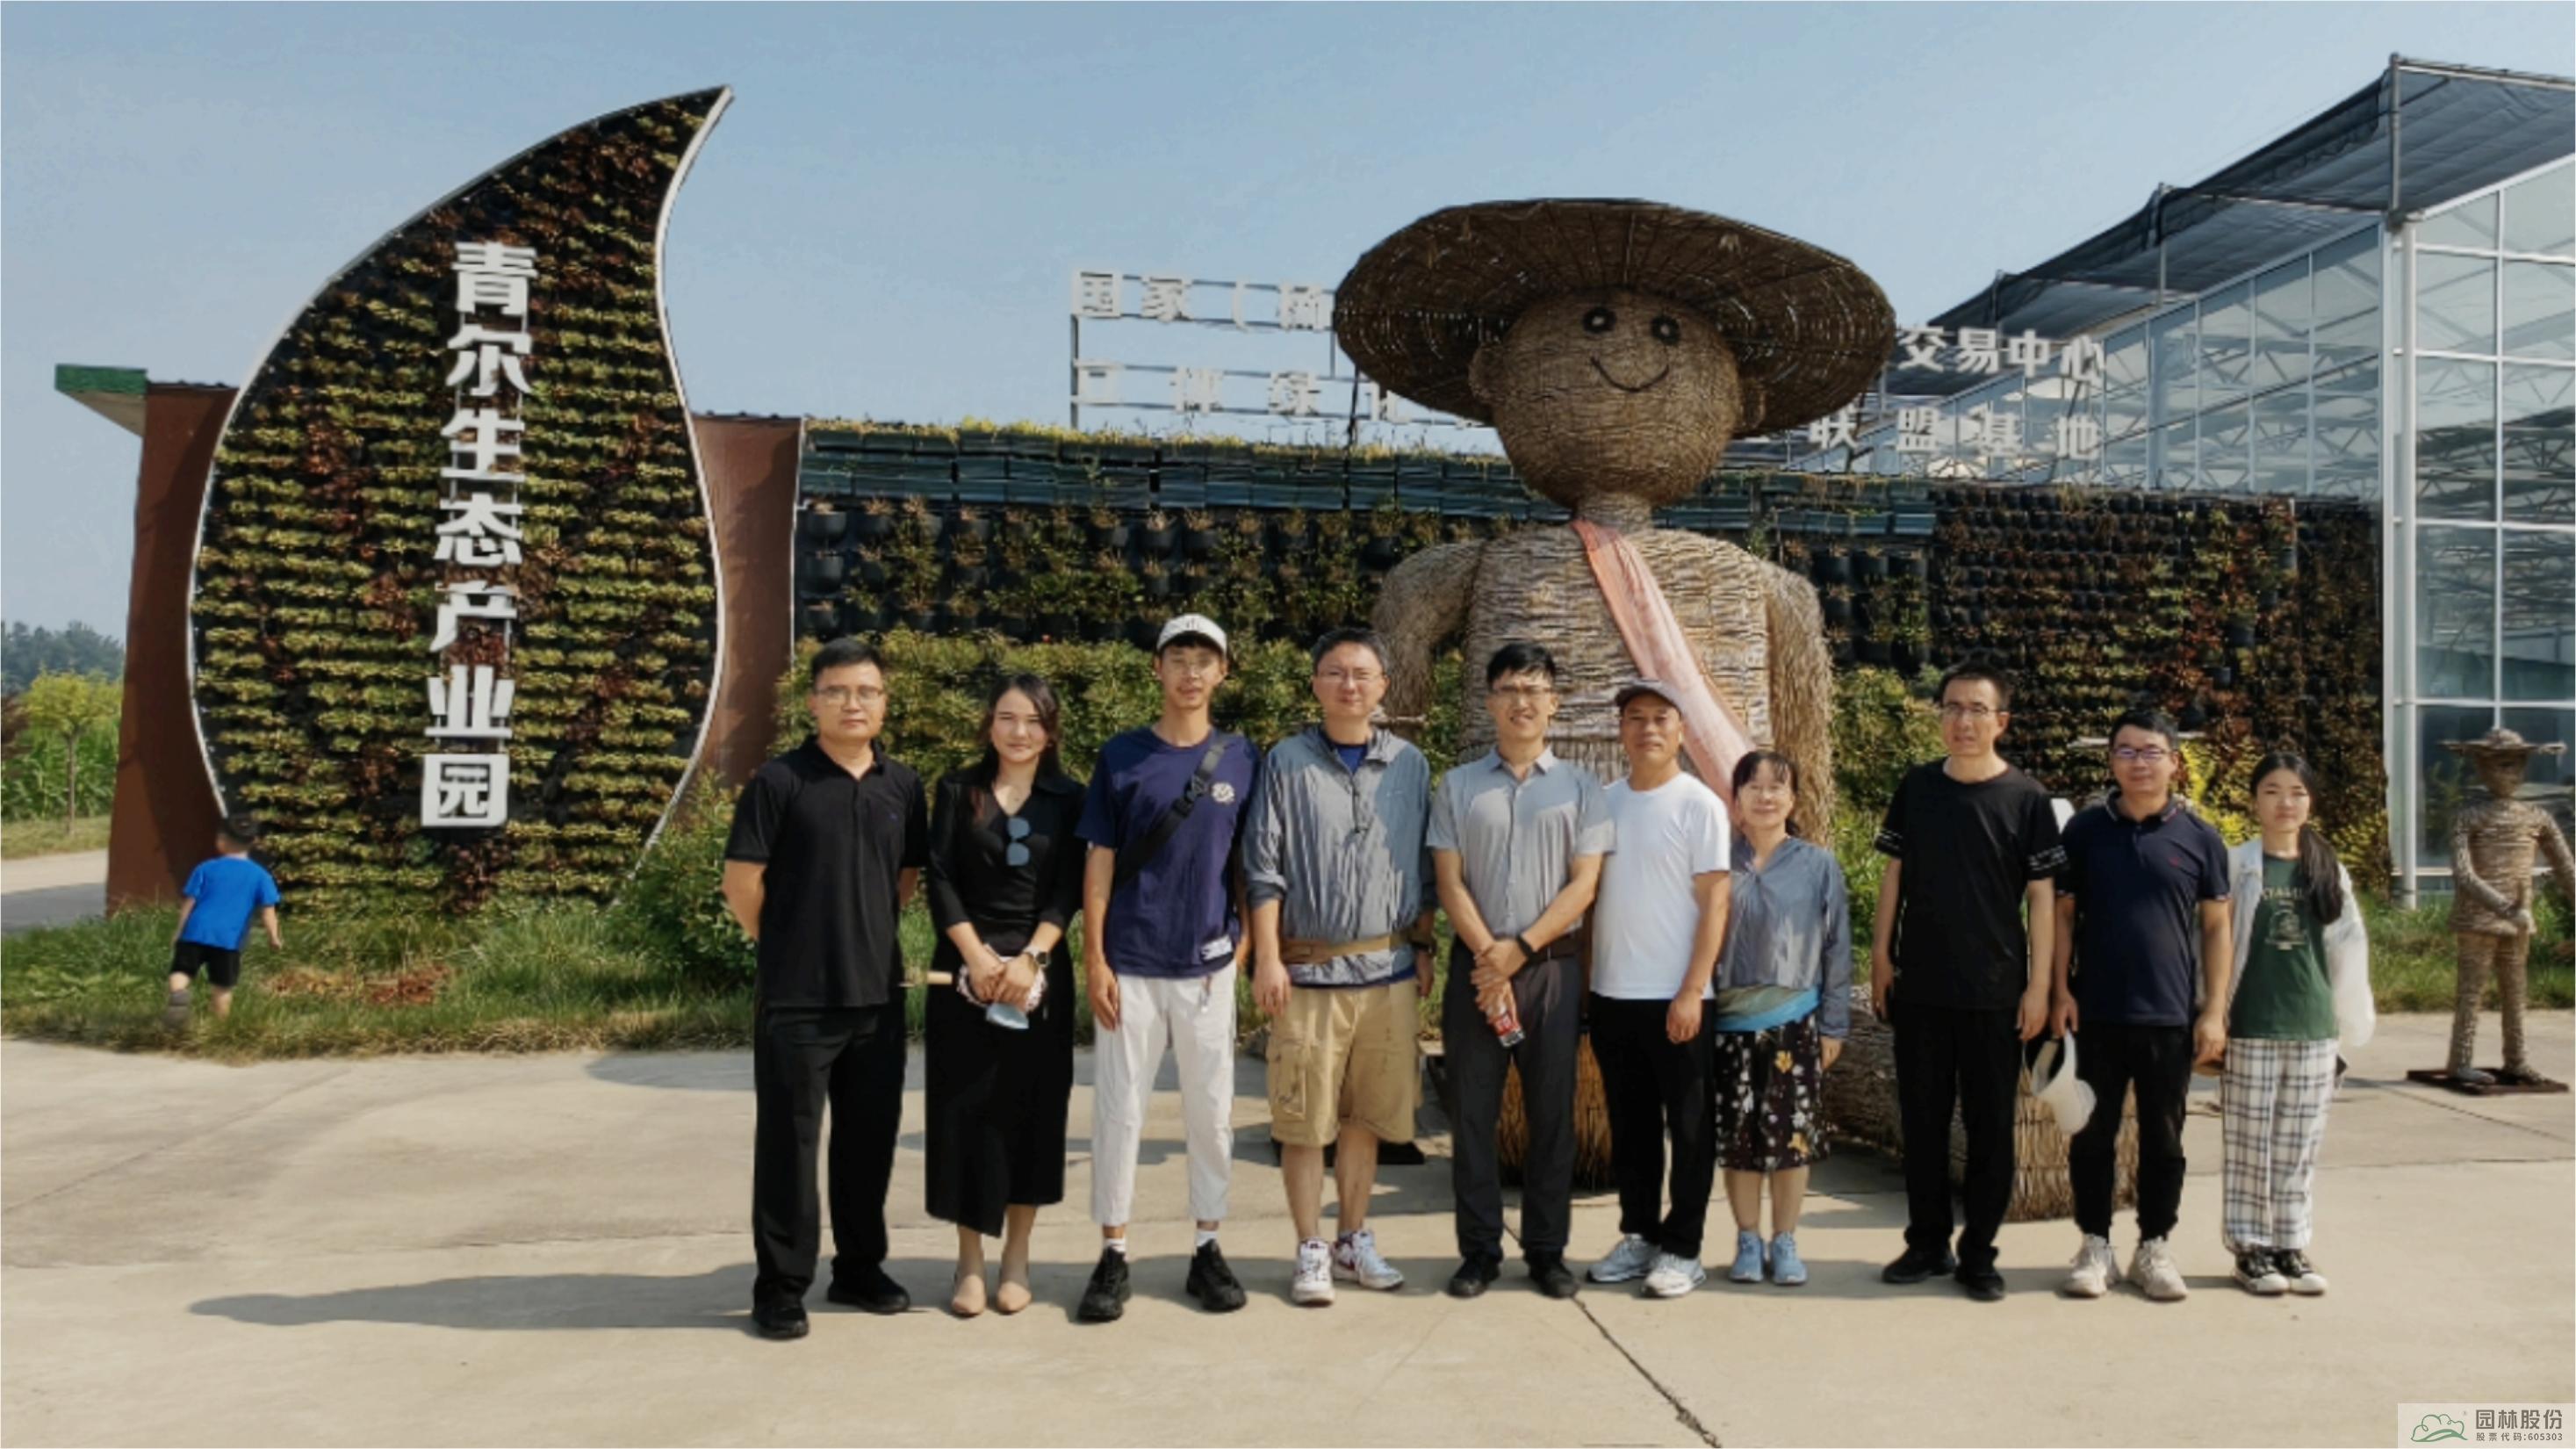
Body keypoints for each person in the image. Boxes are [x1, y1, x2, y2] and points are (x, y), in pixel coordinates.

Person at [723, 638, 930, 1341]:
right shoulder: (780, 782)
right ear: (812, 702)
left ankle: (859, 1269)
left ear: (884, 703)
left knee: (868, 1142)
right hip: (797, 999)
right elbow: (741, 884)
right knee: (790, 1145)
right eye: (837, 691)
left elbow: (904, 881)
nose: (852, 703)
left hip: (877, 995)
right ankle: (781, 1287)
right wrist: (786, 943)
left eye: (866, 691)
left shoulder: (903, 786)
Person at [1076, 614, 1259, 1323]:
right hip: (1131, 963)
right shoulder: (1122, 756)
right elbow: (1099, 861)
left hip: (1208, 966)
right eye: (1178, 658)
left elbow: (1248, 860)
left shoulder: (1242, 758)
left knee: (1211, 1115)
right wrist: (1094, 958)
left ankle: (1207, 1247)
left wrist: (1243, 945)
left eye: (1204, 660)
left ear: (1223, 673)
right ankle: (1113, 1252)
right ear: (1157, 669)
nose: (1190, 672)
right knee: (1119, 1113)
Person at [1246, 627, 1436, 1306]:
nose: (1349, 685)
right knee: (1303, 1118)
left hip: (1387, 973)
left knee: (1365, 1116)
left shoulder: (1410, 765)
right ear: (1316, 684)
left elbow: (1423, 867)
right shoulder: (1285, 762)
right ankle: (1310, 1246)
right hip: (1309, 972)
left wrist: (1424, 947)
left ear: (1384, 685)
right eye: (1335, 672)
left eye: (1362, 674)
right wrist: (1267, 958)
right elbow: (1263, 868)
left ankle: (1353, 1238)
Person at [1429, 641, 1615, 1301]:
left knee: (1551, 1117)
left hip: (1551, 974)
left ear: (1554, 703)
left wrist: (1521, 951)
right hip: (1476, 972)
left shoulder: (1582, 789)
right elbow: (1449, 882)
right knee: (1472, 1115)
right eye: (1508, 688)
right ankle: (1479, 1251)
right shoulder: (1457, 786)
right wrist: (1491, 958)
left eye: (1534, 689)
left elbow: (1584, 885)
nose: (1521, 701)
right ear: (1489, 701)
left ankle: (1546, 1251)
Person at [1872, 662, 2062, 1302]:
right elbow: (1893, 875)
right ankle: (1927, 1242)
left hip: (1996, 994)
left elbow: (2042, 899)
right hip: (1921, 987)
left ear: (2000, 721)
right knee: (1922, 1123)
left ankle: (1979, 1252)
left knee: (1990, 1129)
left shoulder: (2028, 799)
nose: (1962, 721)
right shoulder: (1918, 787)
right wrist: (1881, 956)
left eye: (1977, 709)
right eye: (1952, 707)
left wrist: (2038, 988)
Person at [2049, 709, 2232, 1303]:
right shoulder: (2084, 833)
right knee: (2091, 1135)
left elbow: (2217, 928)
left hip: (2169, 1015)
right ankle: (2094, 1245)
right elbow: (2062, 916)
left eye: (2151, 752)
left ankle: (2155, 1245)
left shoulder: (2200, 838)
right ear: (2111, 761)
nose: (2138, 763)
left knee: (2165, 1139)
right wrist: (2059, 991)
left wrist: (2214, 1011)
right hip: (2095, 1012)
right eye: (2125, 751)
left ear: (2174, 762)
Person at [923, 674, 1085, 1318]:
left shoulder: (1070, 798)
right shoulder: (955, 790)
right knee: (964, 1113)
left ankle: (1017, 1258)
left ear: (1051, 731)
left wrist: (1032, 959)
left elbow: (1069, 888)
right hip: (965, 970)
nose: (1020, 732)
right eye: (1008, 718)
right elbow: (939, 877)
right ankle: (969, 1261)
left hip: (1038, 972)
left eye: (1034, 721)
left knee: (1032, 1113)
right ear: (989, 723)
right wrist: (975, 956)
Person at [1585, 681, 1731, 1300]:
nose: (1647, 729)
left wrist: (1692, 989)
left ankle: (1684, 1248)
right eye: (1635, 718)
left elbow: (1715, 901)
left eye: (1660, 719)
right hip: (1612, 993)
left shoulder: (1700, 805)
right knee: (1632, 1125)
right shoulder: (1603, 802)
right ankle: (1640, 1233)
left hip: (1678, 995)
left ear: (1680, 731)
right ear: (1621, 729)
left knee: (1691, 1128)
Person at [2220, 752, 2373, 1297]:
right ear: (2254, 801)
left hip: (2312, 1027)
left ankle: (2291, 1244)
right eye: (2272, 791)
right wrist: (2209, 1015)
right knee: (2249, 1145)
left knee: (2299, 1146)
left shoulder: (2328, 870)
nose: (2285, 802)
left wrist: (2347, 1026)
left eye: (2297, 792)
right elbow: (2213, 944)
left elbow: (2348, 952)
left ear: (2311, 802)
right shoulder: (2237, 865)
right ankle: (2250, 1249)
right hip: (2251, 1024)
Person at [1712, 749, 1850, 1289]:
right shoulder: (1718, 860)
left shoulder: (1817, 865)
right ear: (1737, 799)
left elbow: (1837, 947)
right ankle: (1748, 1239)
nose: (1765, 796)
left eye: (1777, 787)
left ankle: (1785, 1239)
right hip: (1728, 1023)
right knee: (1739, 1140)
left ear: (1793, 799)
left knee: (1793, 1139)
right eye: (1754, 786)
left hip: (1795, 1020)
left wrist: (1834, 1025)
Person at [164, 813, 282, 1028]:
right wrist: (273, 937)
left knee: (181, 971)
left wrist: (179, 931)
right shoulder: (260, 876)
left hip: (195, 932)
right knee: (222, 986)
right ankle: (219, 1027)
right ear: (254, 841)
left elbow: (189, 903)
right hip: (228, 940)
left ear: (221, 839)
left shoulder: (205, 868)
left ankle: (179, 993)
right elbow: (268, 912)